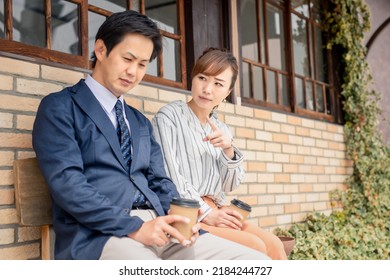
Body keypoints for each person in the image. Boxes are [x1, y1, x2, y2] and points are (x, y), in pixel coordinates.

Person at [32, 10, 269, 260]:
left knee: (254, 261)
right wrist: (135, 227)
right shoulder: (60, 108)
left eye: (142, 64)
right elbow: (69, 184)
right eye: (128, 59)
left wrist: (185, 221)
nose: (133, 72)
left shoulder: (139, 122)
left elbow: (160, 181)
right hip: (100, 234)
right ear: (101, 50)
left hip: (161, 225)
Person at [152, 48, 287, 260]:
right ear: (193, 79)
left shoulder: (221, 128)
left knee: (275, 244)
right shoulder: (169, 117)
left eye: (218, 84)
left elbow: (229, 186)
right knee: (255, 247)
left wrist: (228, 149)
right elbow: (171, 177)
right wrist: (208, 213)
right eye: (202, 78)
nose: (207, 89)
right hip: (187, 213)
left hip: (218, 208)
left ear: (227, 92)